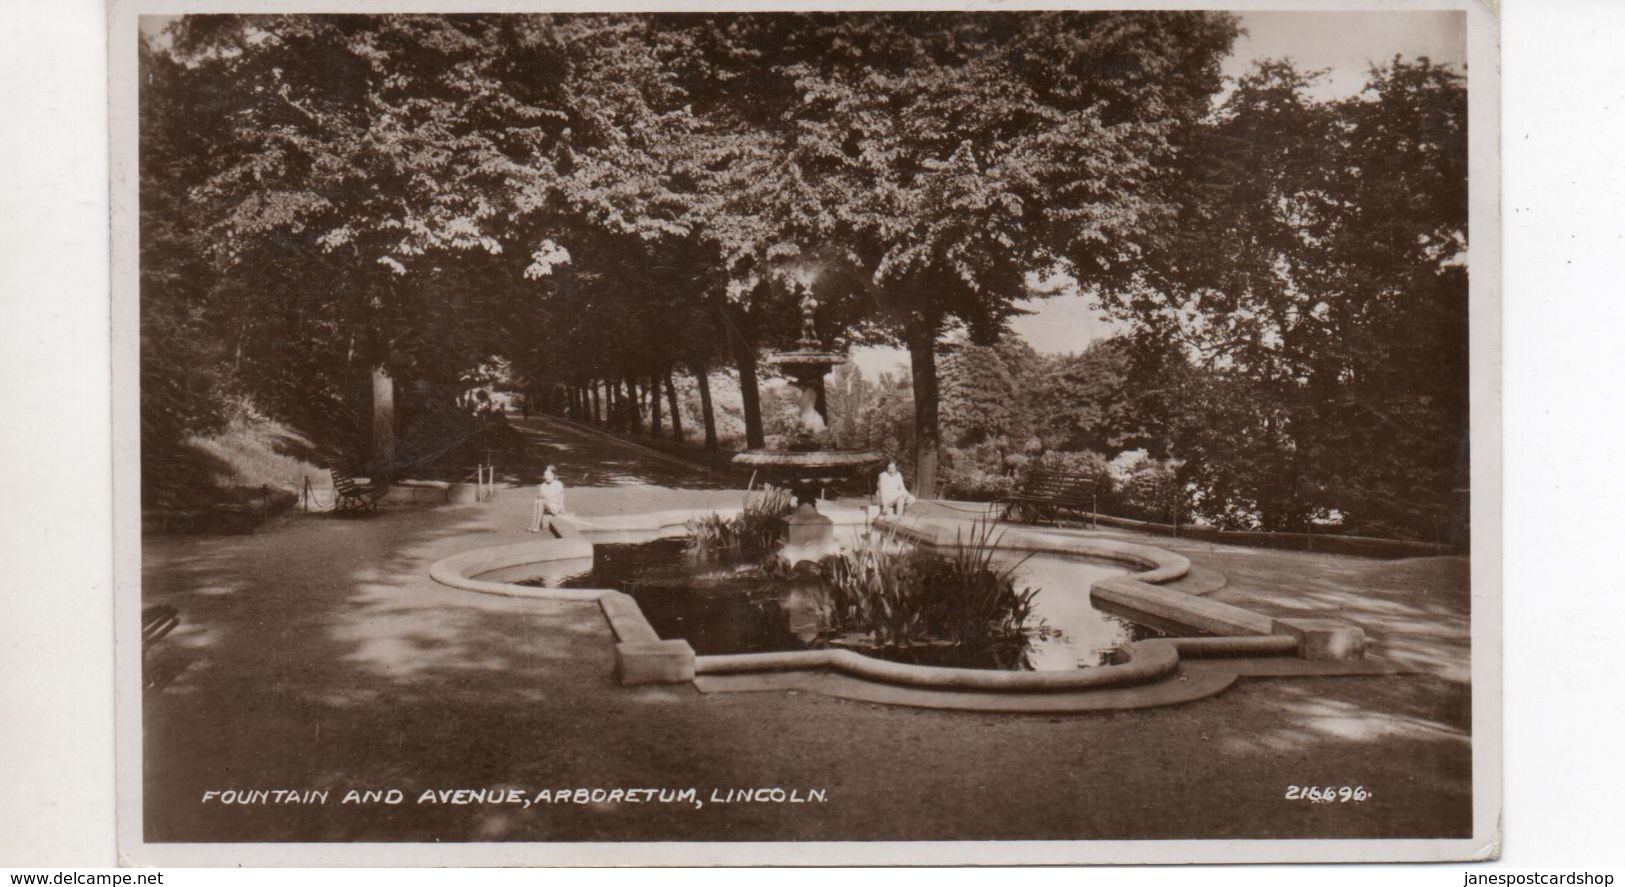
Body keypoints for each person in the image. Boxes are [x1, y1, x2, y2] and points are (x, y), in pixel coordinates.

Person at [528, 465, 567, 533]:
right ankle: (533, 524)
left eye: (549, 475)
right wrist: (540, 496)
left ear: (554, 475)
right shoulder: (543, 485)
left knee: (541, 501)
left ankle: (537, 526)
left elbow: (558, 499)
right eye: (545, 475)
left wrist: (562, 509)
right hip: (548, 506)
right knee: (537, 500)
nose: (546, 477)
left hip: (555, 507)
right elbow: (541, 495)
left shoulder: (558, 484)